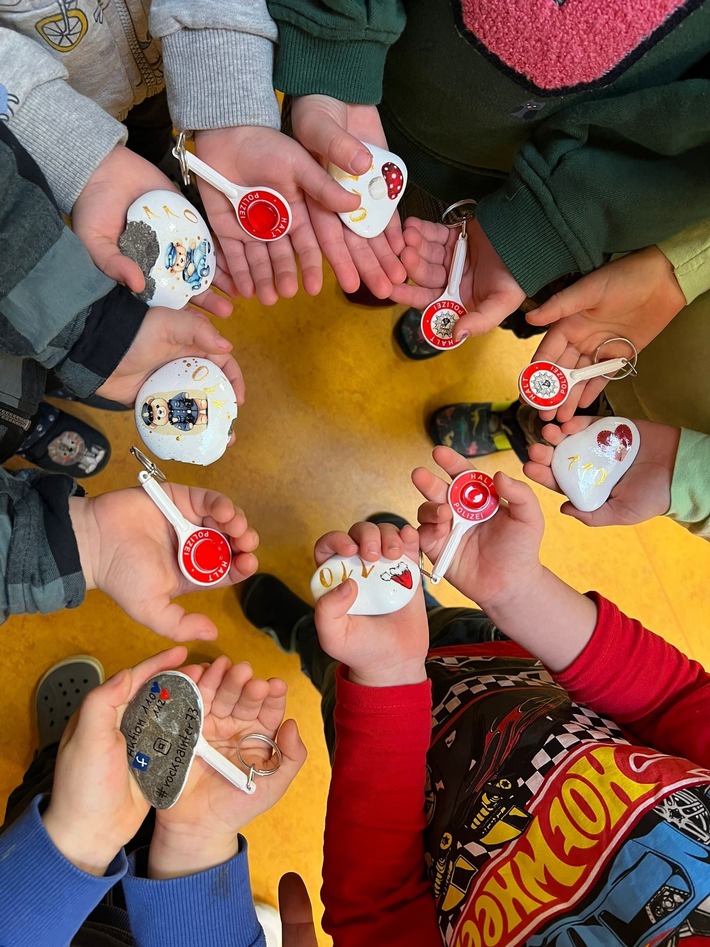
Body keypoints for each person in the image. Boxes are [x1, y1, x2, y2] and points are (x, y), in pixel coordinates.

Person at [242, 445, 710, 944]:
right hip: (501, 657)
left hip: (381, 746)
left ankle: (300, 634)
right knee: (430, 618)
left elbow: (377, 909)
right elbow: (672, 699)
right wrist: (518, 591)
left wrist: (387, 675)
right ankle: (412, 595)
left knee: (330, 654)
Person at [264, 1, 710, 332]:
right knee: (319, 231)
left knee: (389, 273)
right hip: (354, 95)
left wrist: (544, 225)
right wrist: (335, 53)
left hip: (499, 193)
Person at [0, 0, 359, 307]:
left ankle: (160, 162)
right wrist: (80, 156)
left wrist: (228, 103)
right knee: (134, 143)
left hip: (168, 69)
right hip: (56, 106)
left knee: (153, 131)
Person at [0, 647, 310, 945]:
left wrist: (81, 834)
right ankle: (63, 760)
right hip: (159, 916)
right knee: (141, 810)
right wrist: (196, 841)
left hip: (39, 900)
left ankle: (53, 756)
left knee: (55, 785)